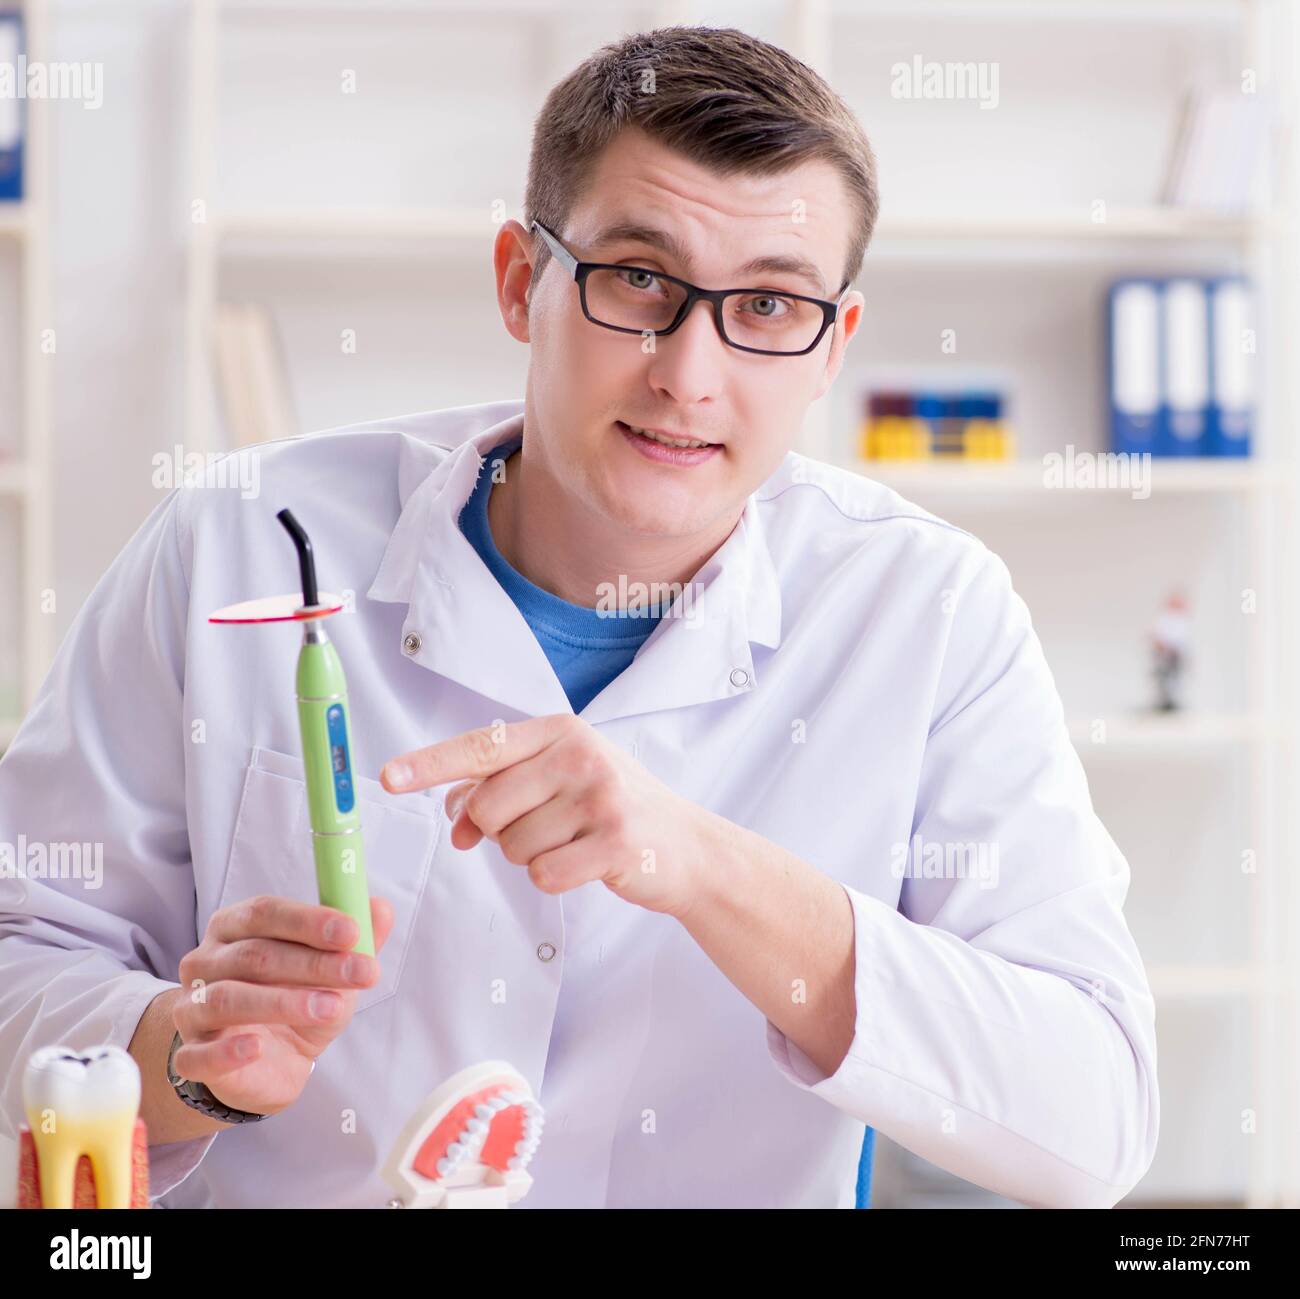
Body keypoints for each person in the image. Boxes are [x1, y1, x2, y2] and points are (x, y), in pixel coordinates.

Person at [0, 26, 1157, 1209]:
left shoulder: (930, 611)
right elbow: (23, 946)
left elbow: (1090, 1118)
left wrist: (703, 864)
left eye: (766, 305)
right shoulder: (238, 542)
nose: (689, 375)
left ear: (831, 348)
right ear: (520, 279)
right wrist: (190, 1058)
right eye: (640, 281)